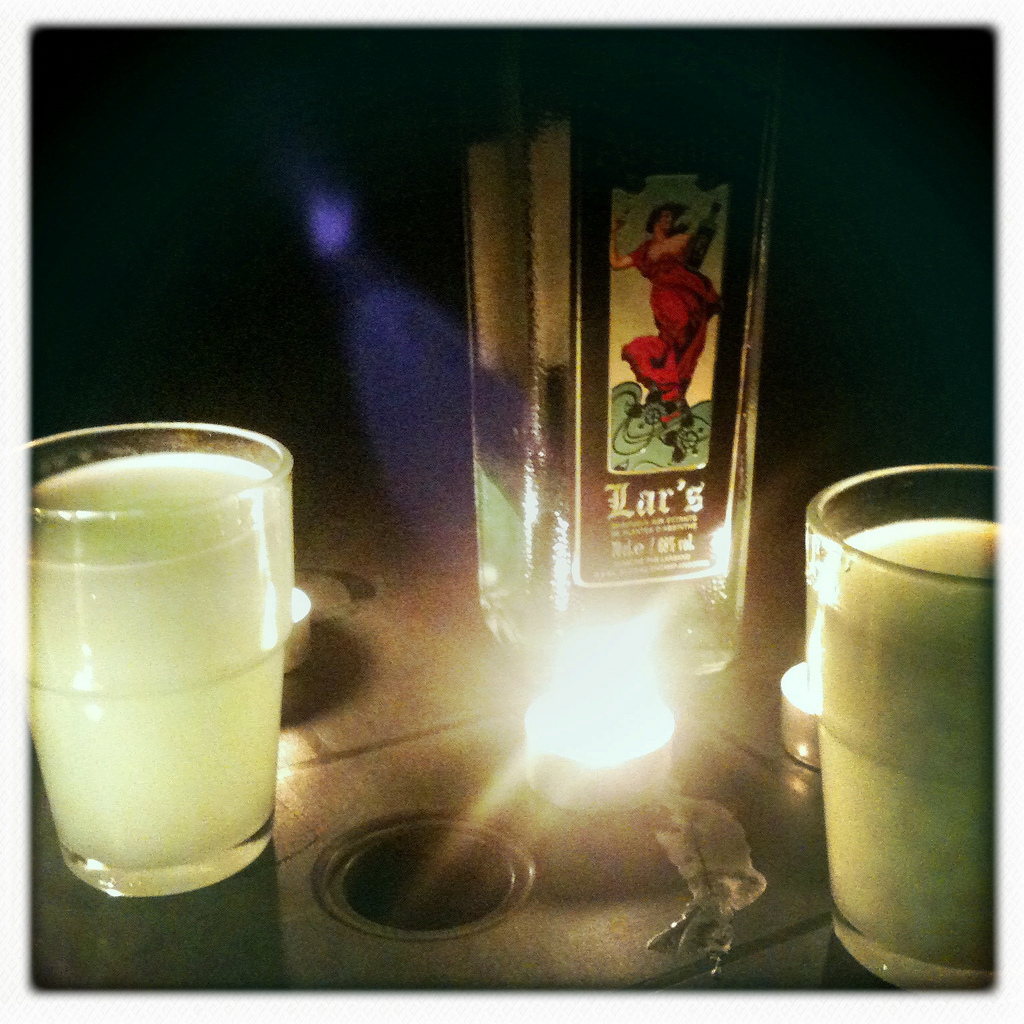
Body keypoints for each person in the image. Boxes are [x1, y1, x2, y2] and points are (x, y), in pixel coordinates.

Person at [610, 203, 722, 424]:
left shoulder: (682, 239)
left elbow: (702, 245)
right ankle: (669, 393)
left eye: (671, 218)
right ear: (654, 219)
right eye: (664, 216)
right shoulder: (646, 249)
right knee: (676, 336)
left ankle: (671, 397)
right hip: (665, 298)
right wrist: (613, 231)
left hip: (689, 295)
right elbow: (616, 262)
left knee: (686, 344)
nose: (668, 221)